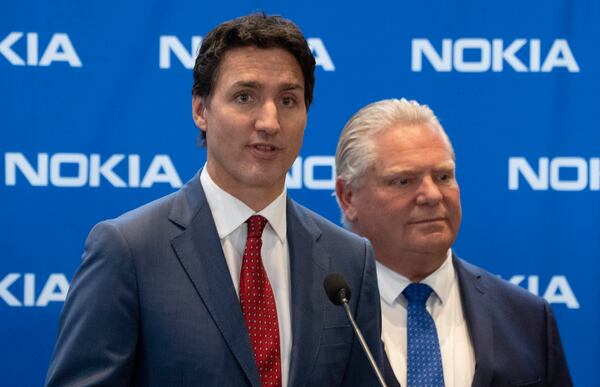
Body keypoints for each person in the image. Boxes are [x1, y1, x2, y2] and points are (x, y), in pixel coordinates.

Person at [46, 14, 383, 387]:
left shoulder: (349, 261)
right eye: (245, 97)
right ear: (200, 111)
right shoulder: (129, 251)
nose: (269, 121)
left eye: (288, 100)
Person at [335, 98, 572, 387]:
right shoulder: (314, 317)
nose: (433, 195)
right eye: (404, 181)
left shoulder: (528, 318)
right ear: (348, 197)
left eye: (443, 176)